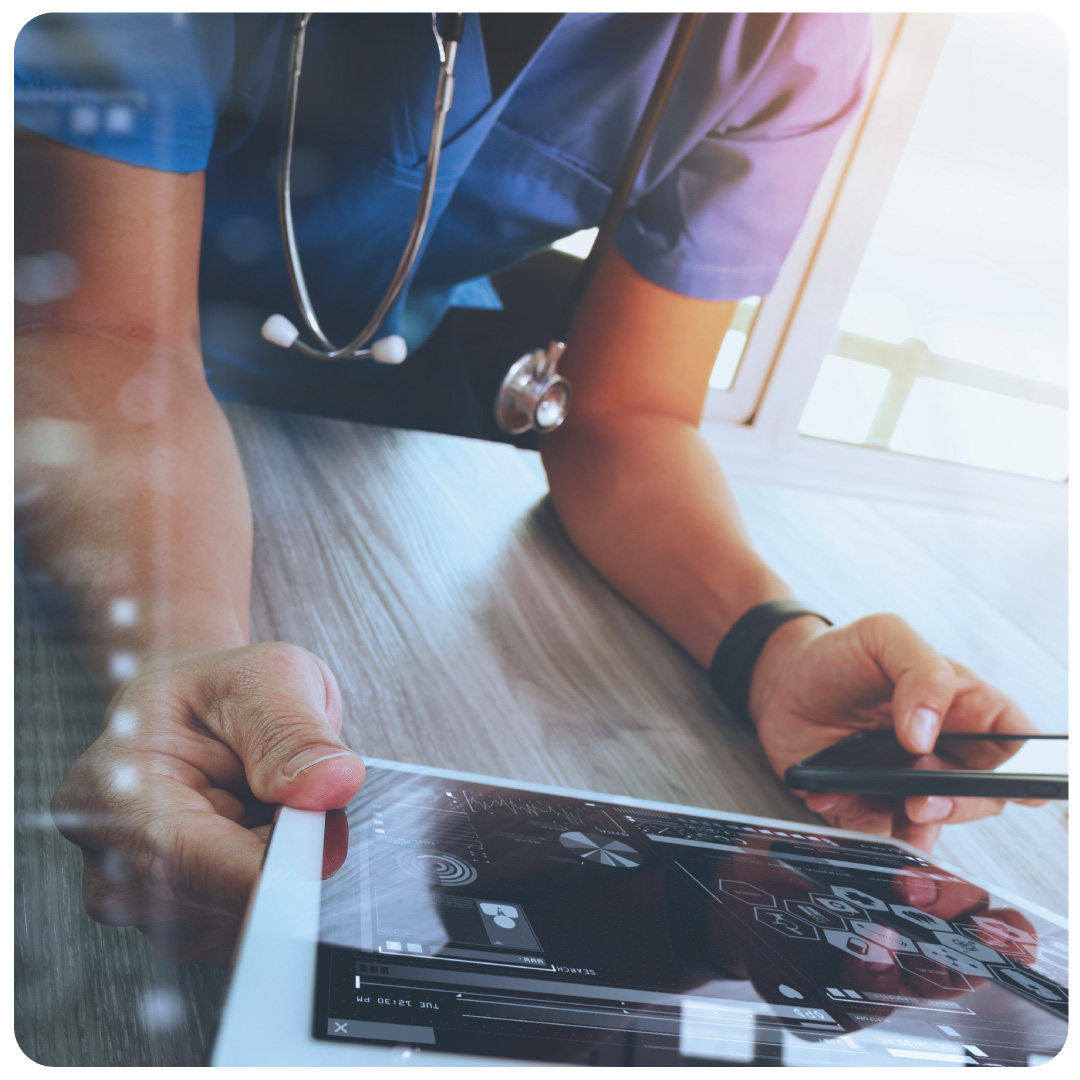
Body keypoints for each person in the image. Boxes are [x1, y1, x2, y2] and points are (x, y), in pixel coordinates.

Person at [14, 12, 1041, 968]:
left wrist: (774, 649)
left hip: (350, 420)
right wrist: (190, 667)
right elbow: (102, 333)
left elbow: (625, 416)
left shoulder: (789, 38)